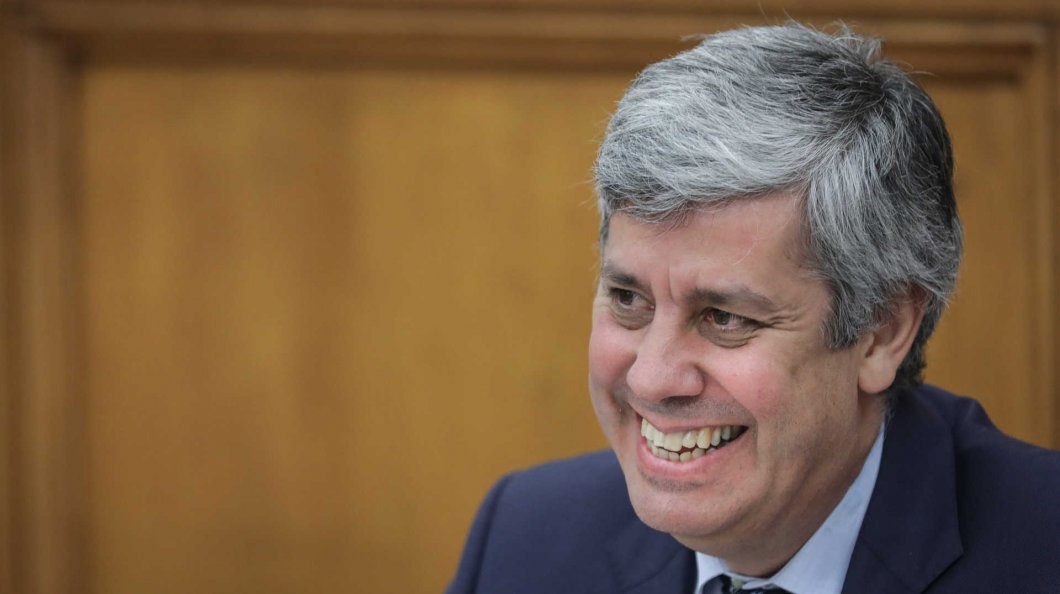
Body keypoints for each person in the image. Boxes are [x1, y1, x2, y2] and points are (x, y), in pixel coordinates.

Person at [446, 22, 1060, 594]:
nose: (652, 378)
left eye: (725, 318)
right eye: (629, 300)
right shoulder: (524, 539)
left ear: (881, 332)